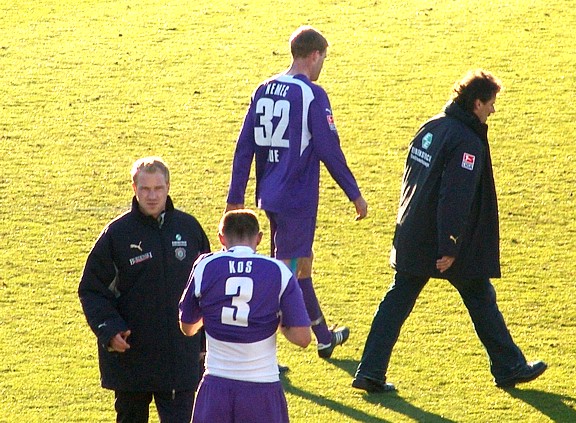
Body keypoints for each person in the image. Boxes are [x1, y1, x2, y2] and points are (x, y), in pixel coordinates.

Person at [352, 70, 547, 393]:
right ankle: (509, 367)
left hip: (412, 232)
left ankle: (369, 371)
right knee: (479, 296)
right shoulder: (466, 141)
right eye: (491, 103)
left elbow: (411, 182)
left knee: (400, 300)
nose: (493, 110)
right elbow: (455, 197)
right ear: (476, 103)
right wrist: (450, 246)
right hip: (439, 240)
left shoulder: (432, 126)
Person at [225, 25, 368, 359]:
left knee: (302, 263)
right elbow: (329, 149)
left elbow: (244, 146)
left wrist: (236, 196)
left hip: (271, 194)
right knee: (282, 279)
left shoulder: (264, 89)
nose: (322, 66)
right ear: (315, 55)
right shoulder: (311, 94)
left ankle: (324, 337)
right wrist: (354, 193)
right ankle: (254, 350)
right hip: (297, 198)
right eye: (324, 58)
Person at [78, 157, 211, 422]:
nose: (152, 196)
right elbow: (92, 290)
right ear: (134, 188)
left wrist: (204, 342)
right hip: (131, 359)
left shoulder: (189, 229)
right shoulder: (117, 234)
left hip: (179, 360)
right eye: (145, 189)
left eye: (158, 188)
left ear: (168, 187)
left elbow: (207, 290)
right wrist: (109, 330)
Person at [179, 209, 311, 422]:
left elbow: (187, 327)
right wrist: (277, 322)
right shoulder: (278, 271)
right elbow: (302, 338)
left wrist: (212, 315)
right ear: (259, 238)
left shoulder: (205, 265)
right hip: (262, 386)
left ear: (221, 238)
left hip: (216, 384)